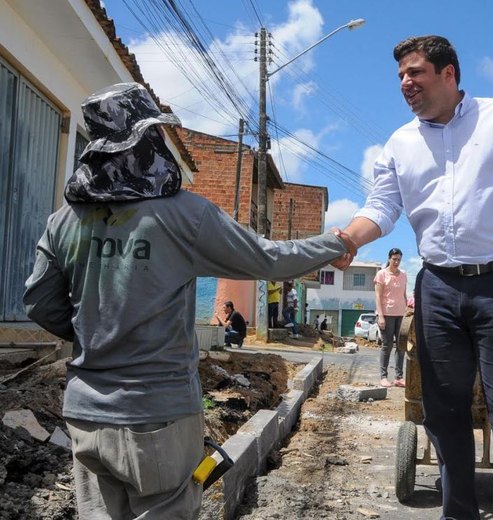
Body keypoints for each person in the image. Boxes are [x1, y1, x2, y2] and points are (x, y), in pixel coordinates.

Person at [21, 82, 356, 519]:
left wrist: (96, 332)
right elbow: (268, 259)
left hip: (85, 414)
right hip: (157, 414)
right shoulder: (183, 215)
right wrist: (336, 242)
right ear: (144, 141)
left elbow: (39, 303)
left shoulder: (63, 221)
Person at [337, 35, 493, 520]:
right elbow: (381, 207)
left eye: (415, 72)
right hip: (437, 287)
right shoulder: (400, 143)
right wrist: (350, 240)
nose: (405, 83)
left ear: (449, 74)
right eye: (400, 75)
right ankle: (457, 512)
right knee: (442, 412)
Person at [374, 248, 409, 388]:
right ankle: (383, 377)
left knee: (401, 346)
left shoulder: (404, 274)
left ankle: (399, 377)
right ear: (389, 258)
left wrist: (407, 311)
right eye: (394, 259)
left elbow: (404, 295)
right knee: (387, 345)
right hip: (387, 315)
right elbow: (377, 296)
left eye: (399, 259)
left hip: (401, 314)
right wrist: (380, 316)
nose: (396, 262)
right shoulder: (381, 274)